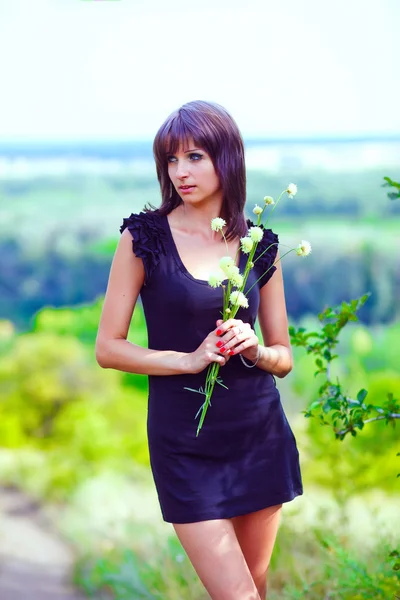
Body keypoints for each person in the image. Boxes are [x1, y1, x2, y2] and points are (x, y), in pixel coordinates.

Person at [95, 100, 303, 600]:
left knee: (255, 590)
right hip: (184, 445)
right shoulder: (144, 237)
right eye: (170, 160)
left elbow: (284, 357)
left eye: (194, 157)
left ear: (226, 159)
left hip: (258, 437)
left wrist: (254, 349)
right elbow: (108, 347)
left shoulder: (260, 244)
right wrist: (187, 361)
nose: (180, 172)